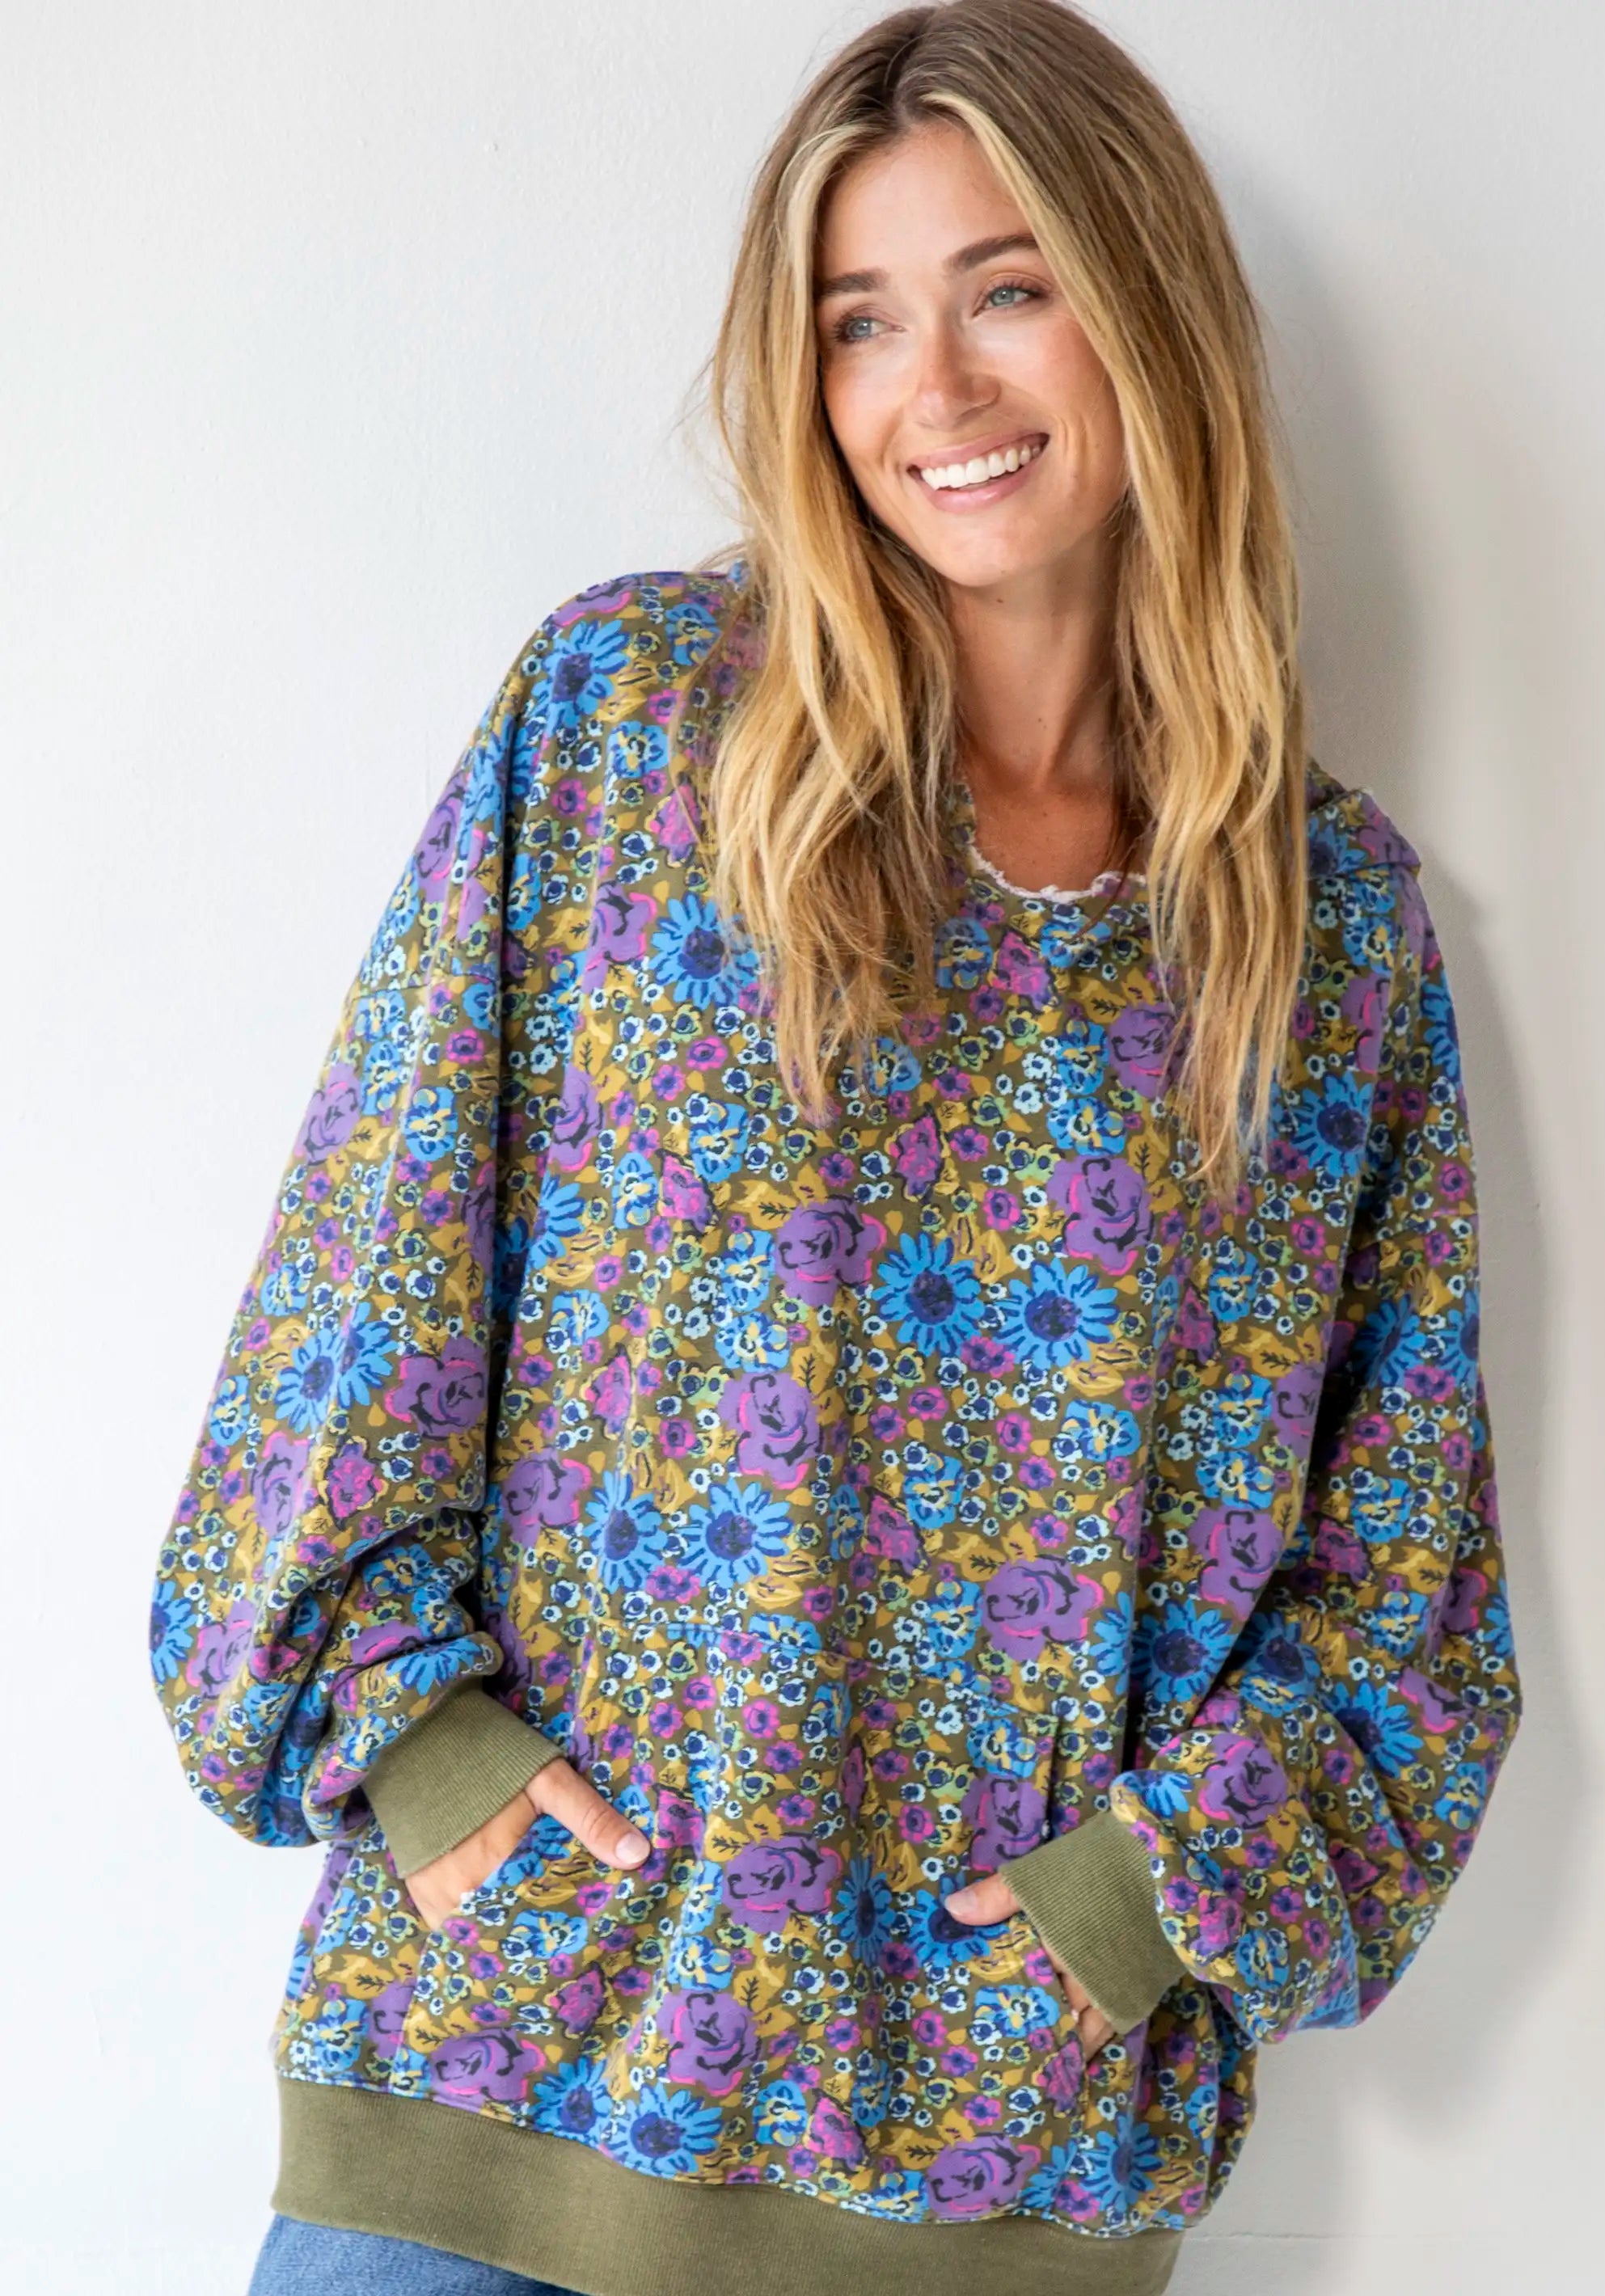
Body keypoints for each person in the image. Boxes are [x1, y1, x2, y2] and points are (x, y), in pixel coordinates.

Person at [150, 4, 1523, 2291]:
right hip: (495, 2090)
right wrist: (414, 1744)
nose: (936, 389)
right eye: (856, 319)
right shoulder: (630, 729)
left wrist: (1135, 1908)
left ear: (1148, 308)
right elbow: (356, 1291)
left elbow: (1407, 1580)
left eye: (1008, 288)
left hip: (990, 2177)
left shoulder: (1321, 929)